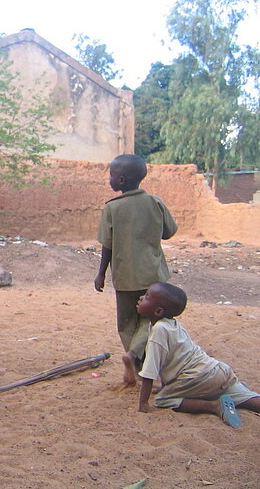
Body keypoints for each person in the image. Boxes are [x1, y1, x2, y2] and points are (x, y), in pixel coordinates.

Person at [93, 154, 177, 387]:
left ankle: (133, 357)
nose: (109, 179)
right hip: (154, 276)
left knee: (127, 323)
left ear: (121, 180)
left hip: (125, 277)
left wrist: (101, 273)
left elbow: (107, 245)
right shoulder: (155, 202)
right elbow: (168, 231)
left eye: (111, 175)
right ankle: (137, 360)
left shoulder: (112, 208)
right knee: (150, 320)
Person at [136, 283, 260, 428]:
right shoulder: (173, 324)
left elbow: (150, 371)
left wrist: (143, 404)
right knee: (250, 400)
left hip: (198, 377)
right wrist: (166, 384)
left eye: (147, 297)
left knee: (163, 400)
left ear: (158, 311)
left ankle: (213, 406)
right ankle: (221, 392)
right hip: (218, 370)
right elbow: (174, 358)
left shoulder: (159, 330)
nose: (141, 298)